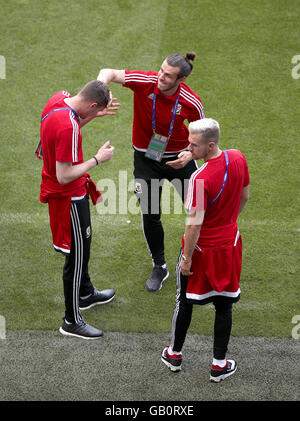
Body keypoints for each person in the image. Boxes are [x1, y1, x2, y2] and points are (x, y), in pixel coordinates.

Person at [97, 52, 205, 292]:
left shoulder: (191, 101)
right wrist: (102, 92)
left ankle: (195, 257)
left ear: (181, 80)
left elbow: (204, 137)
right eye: (161, 70)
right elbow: (108, 72)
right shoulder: (145, 82)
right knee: (150, 213)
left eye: (168, 76)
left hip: (180, 159)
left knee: (198, 211)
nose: (161, 77)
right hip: (146, 159)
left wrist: (190, 153)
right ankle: (160, 266)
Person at [161, 118, 250, 382]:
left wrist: (186, 258)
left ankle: (174, 354)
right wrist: (227, 220)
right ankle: (219, 365)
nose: (187, 148)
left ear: (209, 145)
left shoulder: (198, 178)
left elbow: (193, 226)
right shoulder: (237, 158)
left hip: (201, 250)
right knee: (224, 306)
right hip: (229, 244)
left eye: (193, 145)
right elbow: (244, 197)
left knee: (184, 300)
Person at [37, 80, 119, 339]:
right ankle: (71, 320)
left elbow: (65, 130)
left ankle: (85, 293)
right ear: (92, 104)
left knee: (84, 246)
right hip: (68, 198)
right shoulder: (68, 126)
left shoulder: (59, 98)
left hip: (72, 194)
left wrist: (92, 117)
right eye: (95, 111)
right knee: (76, 257)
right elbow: (64, 175)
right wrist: (97, 159)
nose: (95, 115)